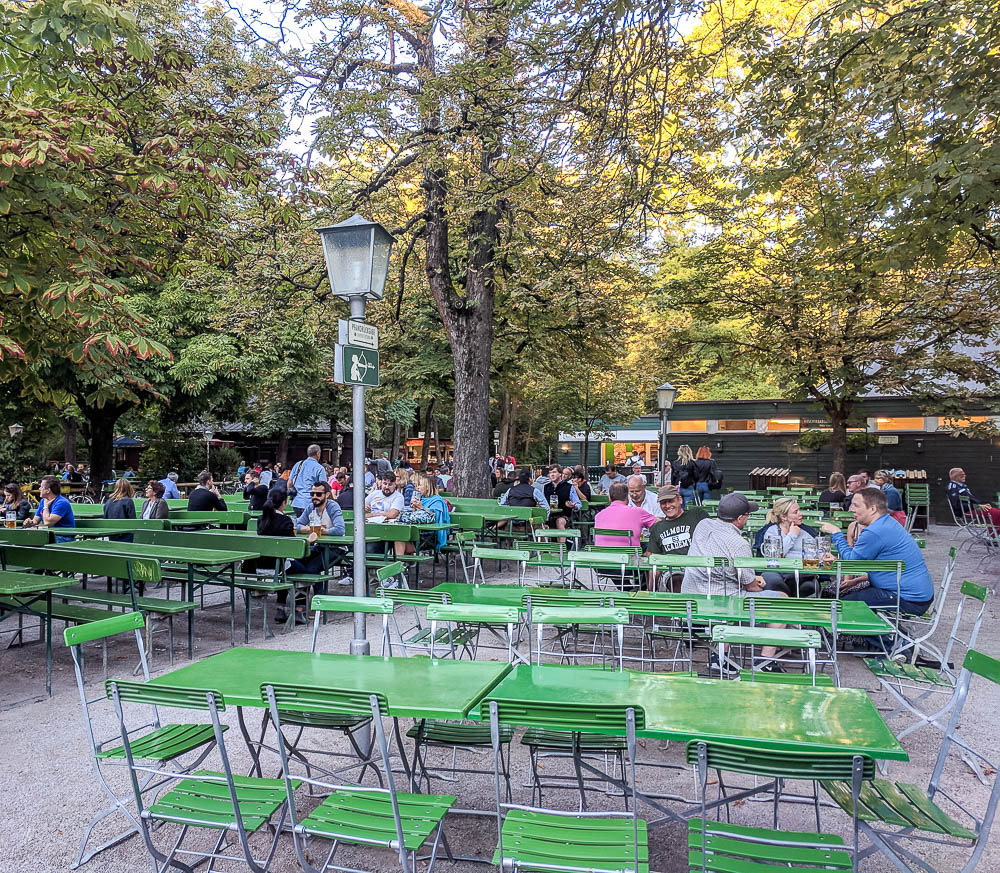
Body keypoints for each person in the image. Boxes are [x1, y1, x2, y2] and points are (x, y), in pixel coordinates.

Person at [682, 492, 785, 673]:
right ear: (740, 518)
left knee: (727, 592)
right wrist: (759, 582)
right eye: (747, 515)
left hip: (691, 600)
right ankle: (765, 662)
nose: (748, 517)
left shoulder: (702, 525)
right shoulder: (739, 543)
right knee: (782, 599)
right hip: (720, 603)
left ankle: (719, 658)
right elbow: (750, 585)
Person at [820, 487, 934, 615]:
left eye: (856, 505)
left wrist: (836, 533)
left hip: (907, 600)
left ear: (873, 509)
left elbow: (852, 563)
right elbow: (881, 567)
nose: (851, 509)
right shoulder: (887, 523)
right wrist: (857, 580)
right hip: (917, 595)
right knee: (832, 592)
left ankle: (877, 635)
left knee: (841, 607)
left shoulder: (875, 531)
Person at [752, 497, 820, 596]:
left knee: (810, 586)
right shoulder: (772, 531)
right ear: (783, 517)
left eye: (799, 510)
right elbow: (775, 556)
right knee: (773, 581)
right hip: (777, 572)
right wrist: (792, 535)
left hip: (801, 573)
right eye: (796, 512)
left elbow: (815, 554)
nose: (801, 514)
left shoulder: (806, 532)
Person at [646, 485, 709, 591]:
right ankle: (682, 605)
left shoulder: (697, 515)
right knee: (677, 579)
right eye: (663, 503)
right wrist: (650, 589)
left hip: (699, 566)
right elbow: (655, 559)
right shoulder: (657, 527)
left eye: (670, 501)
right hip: (672, 570)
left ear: (679, 500)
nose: (667, 506)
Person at [593, 481, 658, 547]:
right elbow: (658, 524)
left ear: (609, 498)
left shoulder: (598, 516)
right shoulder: (637, 512)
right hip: (630, 555)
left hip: (603, 555)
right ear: (627, 497)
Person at [402, 473, 451, 553]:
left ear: (427, 487)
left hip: (430, 535)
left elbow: (434, 518)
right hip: (417, 531)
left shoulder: (437, 501)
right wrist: (414, 508)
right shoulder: (422, 498)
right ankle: (407, 561)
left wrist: (421, 507)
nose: (418, 487)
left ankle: (405, 561)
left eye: (420, 485)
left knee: (402, 539)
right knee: (399, 536)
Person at [23, 476, 75, 541]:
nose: (39, 489)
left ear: (48, 490)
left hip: (63, 537)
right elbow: (36, 520)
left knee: (32, 542)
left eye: (41, 487)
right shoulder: (43, 501)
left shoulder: (61, 502)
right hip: (48, 536)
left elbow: (47, 523)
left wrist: (46, 507)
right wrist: (30, 523)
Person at [288, 444, 329, 513]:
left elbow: (289, 482)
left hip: (296, 502)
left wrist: (291, 497)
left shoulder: (298, 464)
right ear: (318, 454)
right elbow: (323, 487)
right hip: (311, 503)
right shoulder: (319, 468)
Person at [542, 465, 580, 530]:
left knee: (560, 521)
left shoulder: (569, 487)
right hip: (549, 516)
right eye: (550, 473)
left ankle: (562, 540)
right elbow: (542, 502)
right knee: (538, 523)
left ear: (560, 474)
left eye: (554, 472)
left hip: (564, 516)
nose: (552, 475)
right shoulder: (545, 487)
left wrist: (573, 506)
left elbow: (578, 504)